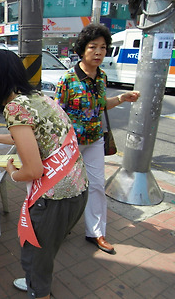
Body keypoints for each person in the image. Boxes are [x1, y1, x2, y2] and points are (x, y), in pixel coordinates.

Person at [0, 49, 89, 299]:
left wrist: (11, 171)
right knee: (45, 251)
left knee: (34, 256)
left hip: (54, 199)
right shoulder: (39, 98)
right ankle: (36, 283)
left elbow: (33, 170)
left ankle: (38, 290)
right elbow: (30, 137)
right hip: (77, 188)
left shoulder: (15, 108)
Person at [55, 23, 140, 255]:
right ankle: (58, 229)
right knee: (65, 188)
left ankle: (96, 232)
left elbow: (101, 106)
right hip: (70, 144)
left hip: (95, 140)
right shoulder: (68, 79)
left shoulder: (101, 77)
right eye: (93, 47)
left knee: (97, 187)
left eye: (103, 47)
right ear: (83, 50)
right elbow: (57, 115)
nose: (99, 52)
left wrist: (122, 97)